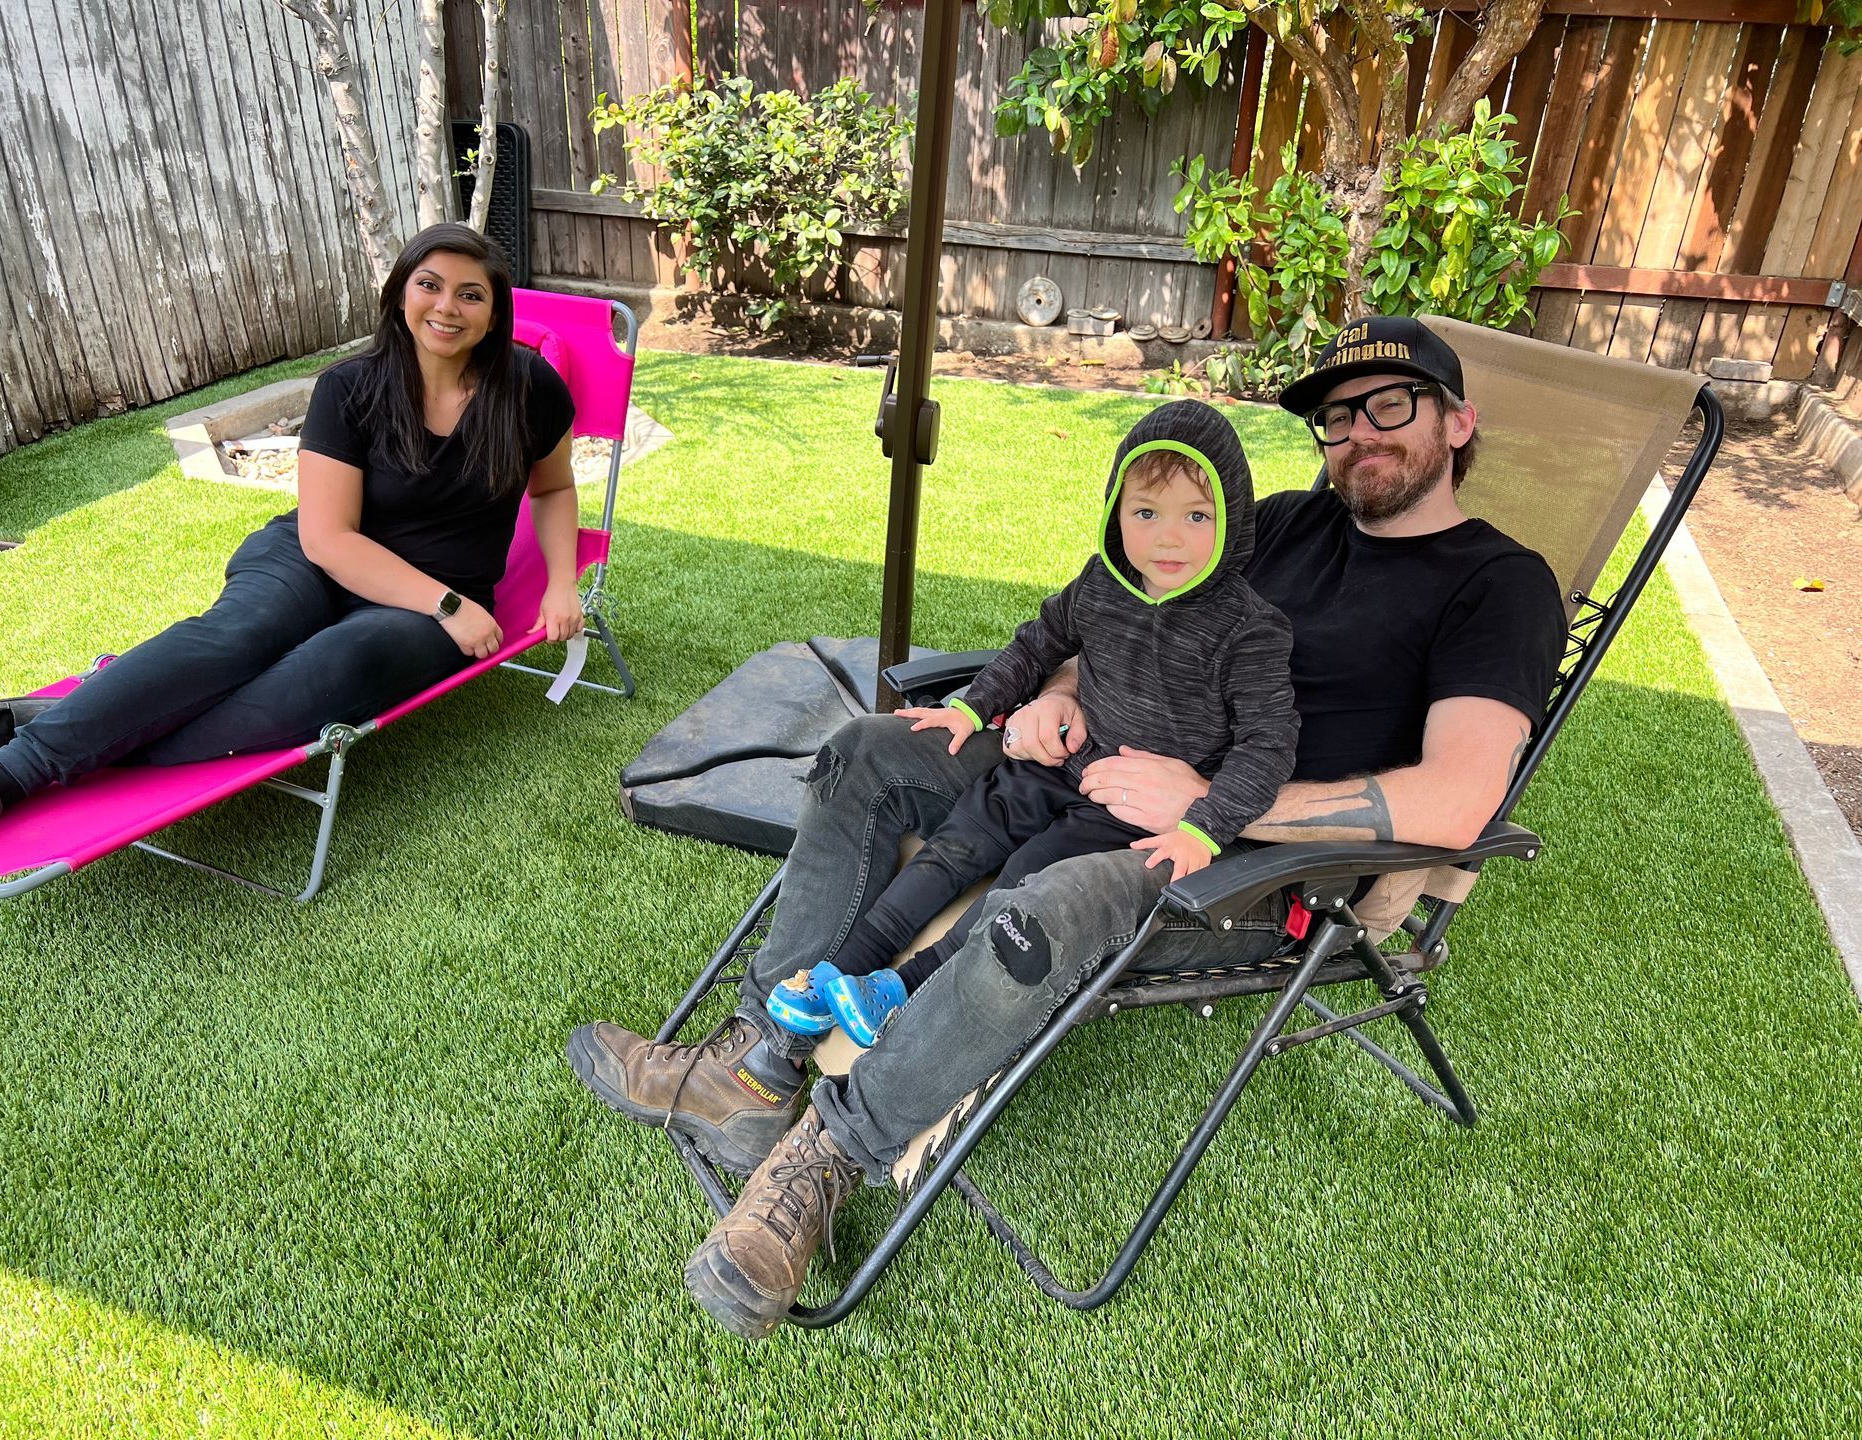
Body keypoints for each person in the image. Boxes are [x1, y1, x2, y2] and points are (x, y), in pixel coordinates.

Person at [567, 314, 1568, 1339]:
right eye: (1337, 417)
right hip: (1091, 766)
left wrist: (1211, 804)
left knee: (1041, 906)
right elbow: (1138, 611)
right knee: (864, 753)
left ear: (1458, 422)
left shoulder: (1500, 584)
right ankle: (756, 1059)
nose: (1359, 432)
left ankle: (829, 1152)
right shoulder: (1281, 526)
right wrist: (1062, 692)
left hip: (1254, 865)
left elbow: (1459, 799)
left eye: (1390, 406)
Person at [0, 225, 583, 845]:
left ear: (495, 315)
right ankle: (4, 774)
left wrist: (560, 586)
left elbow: (552, 489)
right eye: (429, 285)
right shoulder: (350, 388)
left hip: (430, 597)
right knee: (240, 638)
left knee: (326, 674)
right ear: (400, 296)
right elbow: (330, 539)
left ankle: (86, 717)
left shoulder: (529, 390)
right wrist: (451, 608)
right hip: (314, 559)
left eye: (471, 294)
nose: (447, 307)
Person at [765, 401, 1296, 1047]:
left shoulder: (1249, 629)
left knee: (1027, 873)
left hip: (1123, 805)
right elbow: (1034, 647)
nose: (1169, 538)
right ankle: (847, 966)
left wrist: (1204, 830)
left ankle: (906, 988)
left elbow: (1269, 745)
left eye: (1197, 516)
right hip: (1054, 764)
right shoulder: (1101, 584)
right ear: (1115, 514)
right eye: (1147, 513)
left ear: (1233, 522)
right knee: (963, 837)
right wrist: (969, 705)